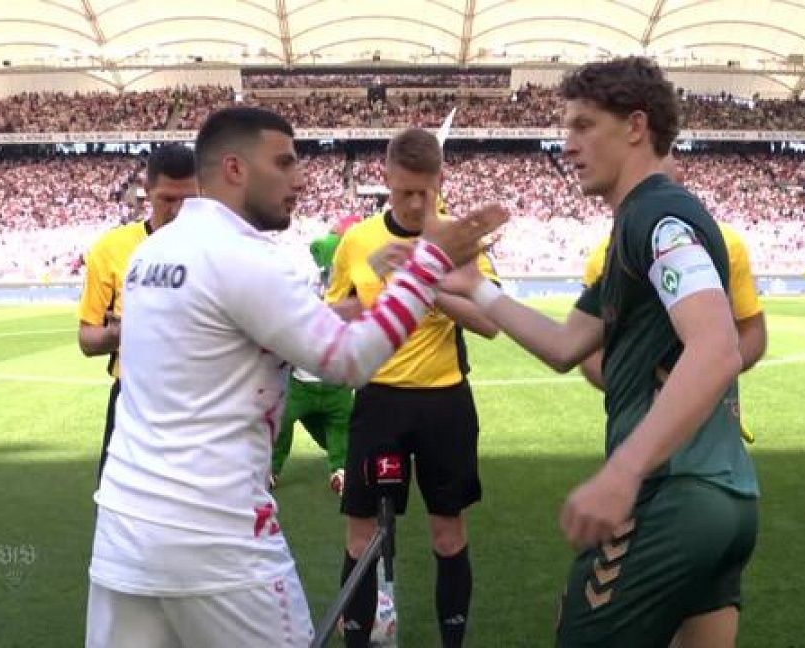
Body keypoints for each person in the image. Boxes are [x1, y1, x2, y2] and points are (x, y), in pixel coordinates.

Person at [85, 107, 506, 648]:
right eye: (284, 162)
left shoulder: (151, 254)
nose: (300, 178)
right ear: (235, 169)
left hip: (124, 529)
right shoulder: (251, 260)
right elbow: (348, 362)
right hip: (218, 534)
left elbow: (264, 328)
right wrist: (426, 268)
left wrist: (357, 304)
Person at [441, 57, 759, 647]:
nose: (568, 144)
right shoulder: (632, 233)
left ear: (635, 126)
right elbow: (566, 346)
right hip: (727, 499)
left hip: (670, 497)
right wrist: (477, 288)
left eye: (584, 126)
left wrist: (623, 472)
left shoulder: (657, 216)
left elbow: (717, 348)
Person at [328, 128, 500, 648]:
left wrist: (425, 280)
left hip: (445, 402)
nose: (418, 203)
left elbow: (490, 321)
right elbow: (331, 314)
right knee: (363, 539)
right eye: (405, 191)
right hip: (379, 401)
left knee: (448, 535)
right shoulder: (358, 241)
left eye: (427, 191)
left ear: (441, 179)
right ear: (385, 179)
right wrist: (382, 295)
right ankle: (359, 640)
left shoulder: (457, 238)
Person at [579, 157, 767, 443]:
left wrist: (703, 380)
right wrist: (635, 390)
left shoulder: (728, 243)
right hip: (637, 421)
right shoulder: (603, 257)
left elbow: (752, 332)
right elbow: (584, 350)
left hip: (711, 423)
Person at [77, 144, 198, 478]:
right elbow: (87, 339)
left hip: (200, 403)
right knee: (118, 508)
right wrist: (125, 330)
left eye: (188, 200)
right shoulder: (111, 248)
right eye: (167, 199)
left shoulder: (217, 248)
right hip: (133, 399)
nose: (177, 211)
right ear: (147, 191)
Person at [271, 215, 363, 494]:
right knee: (284, 423)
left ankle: (341, 468)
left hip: (335, 380)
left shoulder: (355, 278)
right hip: (302, 380)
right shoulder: (309, 272)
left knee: (339, 429)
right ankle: (271, 468)